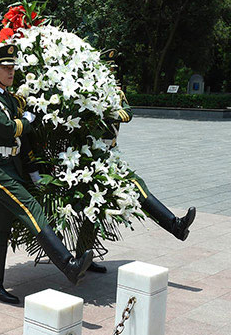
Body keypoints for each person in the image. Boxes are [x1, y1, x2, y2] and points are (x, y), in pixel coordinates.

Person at [0, 45, 93, 304]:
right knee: (31, 209)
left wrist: (33, 169)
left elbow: (23, 136)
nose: (10, 72)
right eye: (5, 68)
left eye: (12, 67)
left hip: (11, 168)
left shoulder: (9, 98)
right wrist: (27, 120)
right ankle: (68, 264)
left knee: (2, 229)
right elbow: (8, 129)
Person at [80, 50, 196, 273]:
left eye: (113, 70)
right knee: (93, 208)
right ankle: (82, 258)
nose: (112, 74)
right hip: (90, 157)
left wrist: (111, 111)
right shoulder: (89, 91)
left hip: (110, 155)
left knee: (136, 188)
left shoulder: (116, 93)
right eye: (108, 69)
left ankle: (176, 225)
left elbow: (127, 113)